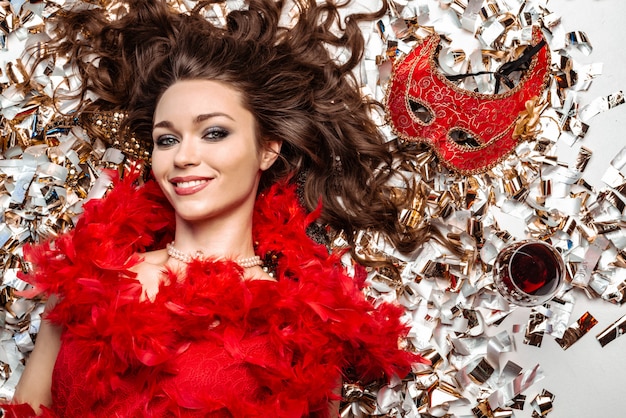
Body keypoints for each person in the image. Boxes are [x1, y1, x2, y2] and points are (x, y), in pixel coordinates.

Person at [6, 0, 425, 416]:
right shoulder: (87, 278)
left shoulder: (303, 330)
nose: (184, 156)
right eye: (166, 139)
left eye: (214, 133)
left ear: (266, 150)